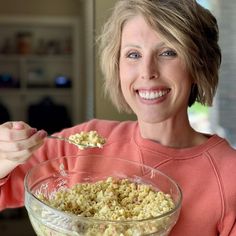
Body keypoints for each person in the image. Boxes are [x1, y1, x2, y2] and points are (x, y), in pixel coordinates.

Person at [0, 0, 235, 235]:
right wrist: (5, 153)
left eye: (168, 52)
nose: (147, 72)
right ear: (117, 66)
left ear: (197, 65)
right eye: (133, 54)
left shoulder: (228, 173)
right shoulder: (78, 145)